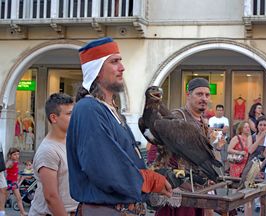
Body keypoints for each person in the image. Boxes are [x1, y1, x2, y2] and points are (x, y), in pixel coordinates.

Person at [66, 37, 172, 215]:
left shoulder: (110, 111)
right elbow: (104, 168)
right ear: (97, 70)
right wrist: (149, 180)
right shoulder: (88, 110)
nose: (122, 67)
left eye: (120, 61)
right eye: (114, 62)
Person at [155, 78, 214, 216]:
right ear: (188, 95)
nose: (204, 98)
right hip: (179, 193)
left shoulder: (203, 122)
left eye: (207, 95)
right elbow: (156, 151)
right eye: (199, 94)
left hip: (198, 190)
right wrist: (171, 180)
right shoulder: (176, 118)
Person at [28, 93, 78, 216]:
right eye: (69, 114)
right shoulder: (48, 150)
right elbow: (51, 197)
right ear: (54, 118)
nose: (75, 117)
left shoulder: (71, 141)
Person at [247, 115, 266, 213]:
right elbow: (250, 150)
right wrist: (260, 138)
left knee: (263, 199)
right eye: (260, 125)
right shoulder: (251, 137)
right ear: (257, 126)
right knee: (248, 198)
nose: (262, 127)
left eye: (265, 125)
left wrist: (260, 168)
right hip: (251, 168)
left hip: (265, 169)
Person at [6, 147, 27, 216]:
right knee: (4, 198)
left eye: (18, 154)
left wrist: (18, 177)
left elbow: (15, 171)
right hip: (9, 182)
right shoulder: (10, 162)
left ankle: (22, 212)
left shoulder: (16, 162)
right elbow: (3, 168)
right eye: (14, 154)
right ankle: (22, 212)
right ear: (10, 155)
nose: (17, 156)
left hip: (14, 182)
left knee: (19, 198)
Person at [208, 104, 230, 169]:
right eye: (218, 110)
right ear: (216, 111)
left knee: (222, 158)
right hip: (213, 140)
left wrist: (215, 129)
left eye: (221, 110)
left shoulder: (225, 119)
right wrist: (221, 130)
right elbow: (210, 130)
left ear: (223, 111)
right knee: (213, 156)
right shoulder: (211, 119)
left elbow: (225, 130)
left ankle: (222, 172)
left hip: (222, 141)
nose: (219, 112)